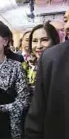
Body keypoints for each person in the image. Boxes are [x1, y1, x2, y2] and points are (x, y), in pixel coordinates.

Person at [25, 9, 69, 139]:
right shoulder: (24, 66)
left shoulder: (54, 59)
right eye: (66, 20)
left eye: (44, 40)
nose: (38, 46)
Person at [22, 22, 60, 90]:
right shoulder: (27, 66)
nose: (38, 46)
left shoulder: (62, 67)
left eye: (44, 40)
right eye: (35, 41)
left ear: (54, 41)